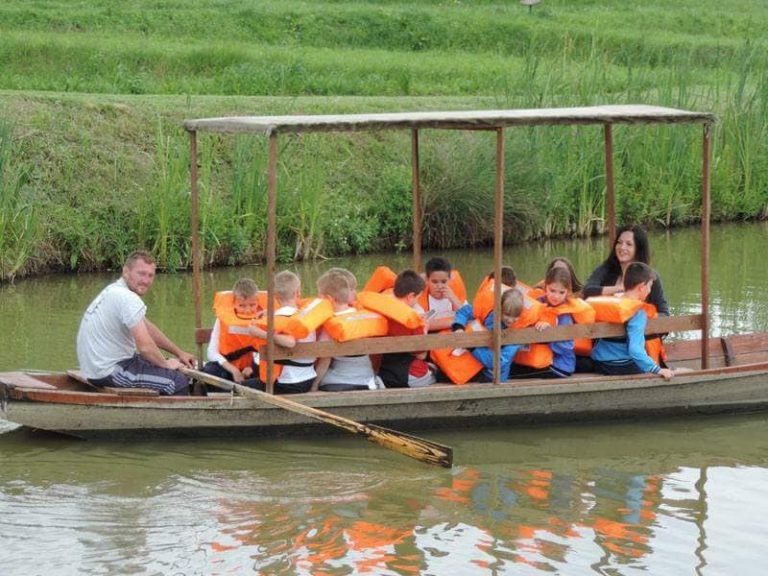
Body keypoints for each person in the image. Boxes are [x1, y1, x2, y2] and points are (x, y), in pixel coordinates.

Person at [76, 250, 195, 395]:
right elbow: (145, 347)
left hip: (99, 368)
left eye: (150, 275)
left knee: (166, 363)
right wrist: (166, 366)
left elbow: (148, 328)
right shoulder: (127, 298)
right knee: (177, 381)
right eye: (141, 273)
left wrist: (179, 352)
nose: (146, 280)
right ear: (126, 271)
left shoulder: (114, 290)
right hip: (109, 371)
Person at [590, 262, 675, 379]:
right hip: (621, 365)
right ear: (641, 287)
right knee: (653, 366)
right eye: (650, 286)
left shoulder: (614, 301)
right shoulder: (637, 312)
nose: (650, 290)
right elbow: (635, 349)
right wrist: (657, 369)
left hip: (599, 362)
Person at [510, 267, 594, 378]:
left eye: (561, 292)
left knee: (511, 375)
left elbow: (566, 347)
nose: (556, 296)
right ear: (545, 287)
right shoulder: (538, 303)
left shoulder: (565, 315)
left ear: (567, 292)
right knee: (511, 365)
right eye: (552, 290)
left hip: (560, 367)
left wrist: (549, 332)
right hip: (541, 360)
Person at [313, 269, 381, 392]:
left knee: (322, 378)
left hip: (340, 382)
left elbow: (324, 362)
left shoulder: (331, 324)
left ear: (329, 298)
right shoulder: (362, 316)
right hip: (368, 380)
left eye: (320, 296)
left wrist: (314, 386)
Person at [254, 270, 317, 394]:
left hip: (288, 383)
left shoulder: (278, 318)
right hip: (308, 378)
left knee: (238, 386)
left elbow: (289, 342)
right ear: (298, 292)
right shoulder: (305, 315)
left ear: (274, 296)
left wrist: (257, 332)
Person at [583, 224, 669, 315]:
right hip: (605, 327)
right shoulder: (605, 269)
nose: (622, 247)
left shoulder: (650, 277)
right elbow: (588, 290)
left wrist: (640, 318)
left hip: (640, 327)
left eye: (629, 244)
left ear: (638, 249)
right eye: (619, 242)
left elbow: (664, 313)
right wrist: (622, 288)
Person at [377, 270, 436, 388]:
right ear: (410, 296)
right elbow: (421, 355)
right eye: (418, 298)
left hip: (384, 373)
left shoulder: (380, 307)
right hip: (407, 376)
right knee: (437, 373)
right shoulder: (412, 320)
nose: (418, 302)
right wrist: (425, 327)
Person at [452, 288, 524, 382]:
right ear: (500, 308)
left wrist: (472, 347)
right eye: (507, 314)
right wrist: (459, 328)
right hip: (473, 370)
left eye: (516, 316)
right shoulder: (488, 313)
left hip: (495, 379)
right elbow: (464, 311)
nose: (510, 320)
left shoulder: (518, 333)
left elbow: (496, 362)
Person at [202, 278, 265, 385]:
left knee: (266, 375)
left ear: (257, 303)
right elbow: (211, 352)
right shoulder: (223, 319)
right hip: (229, 367)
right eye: (242, 305)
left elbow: (267, 349)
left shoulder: (264, 318)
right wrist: (234, 370)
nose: (247, 310)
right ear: (234, 303)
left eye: (252, 305)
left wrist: (252, 368)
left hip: (254, 368)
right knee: (210, 371)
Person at [419, 257, 468, 331]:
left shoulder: (455, 293)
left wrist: (454, 299)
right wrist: (456, 321)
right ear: (427, 280)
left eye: (444, 282)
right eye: (434, 282)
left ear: (450, 279)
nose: (439, 286)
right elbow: (419, 324)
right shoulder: (418, 297)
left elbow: (468, 316)